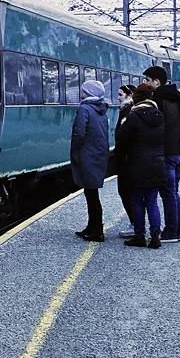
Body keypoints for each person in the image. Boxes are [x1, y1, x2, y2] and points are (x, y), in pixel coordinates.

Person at [113, 82, 169, 247]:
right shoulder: (159, 116)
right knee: (152, 200)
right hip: (157, 164)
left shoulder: (134, 116)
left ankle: (139, 235)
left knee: (137, 200)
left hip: (136, 164)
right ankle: (155, 236)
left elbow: (122, 140)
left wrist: (118, 160)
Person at [143, 66, 180, 240]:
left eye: (147, 80)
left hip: (168, 152)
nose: (145, 83)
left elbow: (155, 128)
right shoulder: (177, 98)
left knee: (168, 192)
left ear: (157, 82)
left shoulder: (158, 101)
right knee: (173, 190)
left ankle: (171, 230)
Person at [71, 79, 110, 242]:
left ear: (88, 92)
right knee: (91, 192)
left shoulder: (84, 108)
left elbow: (79, 132)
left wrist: (75, 150)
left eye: (83, 90)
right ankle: (92, 226)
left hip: (87, 154)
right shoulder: (101, 109)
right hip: (99, 153)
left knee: (91, 194)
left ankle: (97, 231)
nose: (81, 92)